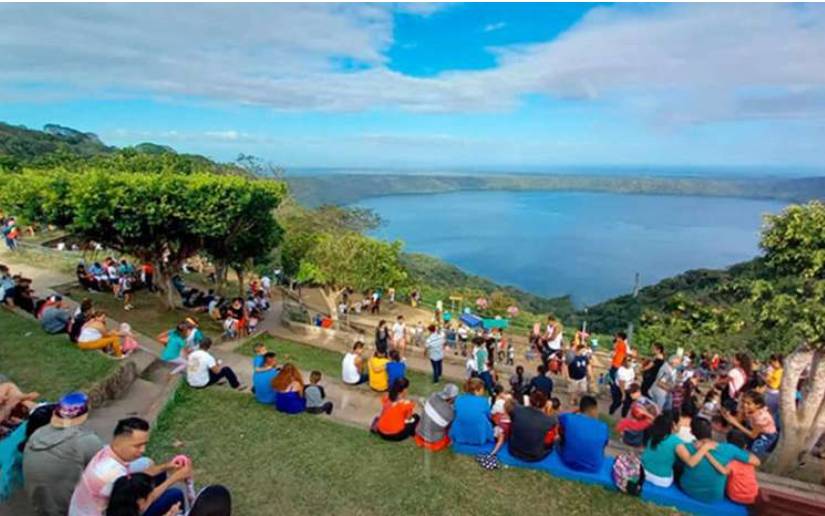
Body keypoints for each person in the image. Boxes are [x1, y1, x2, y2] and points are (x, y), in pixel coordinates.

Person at [69, 417, 191, 516]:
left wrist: (167, 466)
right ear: (120, 442)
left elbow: (143, 474)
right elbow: (143, 504)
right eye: (137, 446)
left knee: (157, 474)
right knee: (175, 495)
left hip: (93, 507)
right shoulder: (113, 474)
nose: (143, 450)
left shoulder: (107, 451)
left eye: (144, 444)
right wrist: (175, 478)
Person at [23, 392, 104, 516]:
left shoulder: (37, 434)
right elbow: (103, 473)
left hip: (40, 506)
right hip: (70, 510)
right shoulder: (86, 440)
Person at [677, 417, 761, 504]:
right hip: (714, 496)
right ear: (711, 431)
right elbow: (757, 462)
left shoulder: (686, 446)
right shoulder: (730, 449)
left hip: (687, 489)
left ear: (691, 432)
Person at [721, 390, 778, 459]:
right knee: (746, 447)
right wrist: (727, 416)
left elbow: (753, 435)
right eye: (743, 401)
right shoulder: (748, 409)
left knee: (752, 454)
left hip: (766, 436)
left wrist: (735, 423)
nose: (745, 405)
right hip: (754, 429)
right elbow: (738, 420)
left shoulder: (761, 417)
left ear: (758, 405)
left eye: (748, 403)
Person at [558, 396, 609, 472]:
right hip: (594, 467)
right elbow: (604, 444)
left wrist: (575, 411)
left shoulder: (569, 418)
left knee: (563, 432)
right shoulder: (603, 426)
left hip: (568, 462)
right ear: (593, 409)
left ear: (580, 408)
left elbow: (560, 417)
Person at [508, 390, 558, 462]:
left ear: (530, 400)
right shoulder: (550, 420)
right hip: (534, 456)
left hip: (514, 450)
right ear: (545, 403)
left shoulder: (516, 410)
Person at [716, 432, 760, 506]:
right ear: (745, 446)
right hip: (752, 496)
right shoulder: (750, 460)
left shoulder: (731, 461)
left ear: (727, 443)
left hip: (736, 497)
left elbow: (723, 472)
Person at [449, 378, 495, 446]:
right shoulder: (483, 401)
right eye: (483, 390)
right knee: (486, 422)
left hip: (461, 432)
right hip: (478, 434)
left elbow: (456, 413)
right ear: (476, 390)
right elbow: (489, 416)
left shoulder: (458, 399)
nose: (484, 392)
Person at [640, 412, 681, 487]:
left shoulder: (652, 433)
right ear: (673, 425)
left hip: (642, 471)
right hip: (662, 480)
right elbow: (690, 462)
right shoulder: (677, 441)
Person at [415, 384, 459, 452]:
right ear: (453, 398)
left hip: (419, 433)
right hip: (434, 441)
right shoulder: (450, 412)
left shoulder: (433, 396)